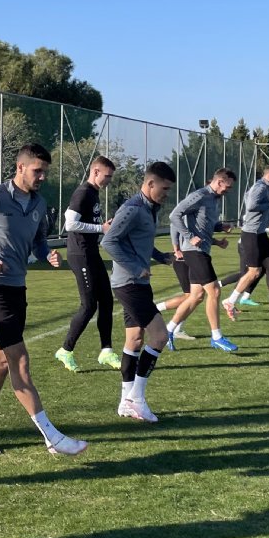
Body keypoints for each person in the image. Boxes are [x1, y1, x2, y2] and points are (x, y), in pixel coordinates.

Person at [0, 144, 87, 456]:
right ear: (20, 167)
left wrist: (46, 253)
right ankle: (53, 438)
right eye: (38, 171)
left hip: (17, 289)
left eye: (45, 172)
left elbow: (38, 240)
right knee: (19, 360)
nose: (42, 177)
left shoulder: (39, 203)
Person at [102, 161, 178, 422]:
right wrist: (136, 268)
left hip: (137, 283)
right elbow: (109, 241)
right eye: (164, 189)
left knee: (134, 339)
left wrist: (160, 256)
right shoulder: (132, 209)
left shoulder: (149, 208)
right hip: (129, 284)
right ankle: (136, 399)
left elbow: (139, 241)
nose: (166, 194)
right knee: (160, 336)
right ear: (150, 183)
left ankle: (125, 401)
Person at [55, 156, 121, 372]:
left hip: (91, 253)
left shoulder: (93, 193)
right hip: (80, 254)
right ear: (95, 171)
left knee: (107, 301)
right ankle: (66, 350)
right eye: (107, 176)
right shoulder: (83, 192)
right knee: (89, 305)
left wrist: (103, 227)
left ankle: (106, 351)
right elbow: (70, 223)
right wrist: (100, 229)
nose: (109, 180)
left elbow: (79, 217)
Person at [165, 168, 238, 353]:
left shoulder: (214, 199)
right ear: (219, 182)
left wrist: (220, 226)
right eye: (228, 186)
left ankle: (169, 330)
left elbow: (205, 224)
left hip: (201, 251)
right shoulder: (199, 195)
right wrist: (189, 236)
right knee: (214, 291)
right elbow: (174, 215)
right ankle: (217, 337)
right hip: (194, 252)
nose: (228, 190)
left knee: (196, 296)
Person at [225, 165, 269, 317]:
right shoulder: (260, 187)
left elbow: (253, 202)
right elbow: (251, 206)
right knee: (254, 272)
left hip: (261, 233)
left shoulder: (265, 188)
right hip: (251, 234)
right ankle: (230, 301)